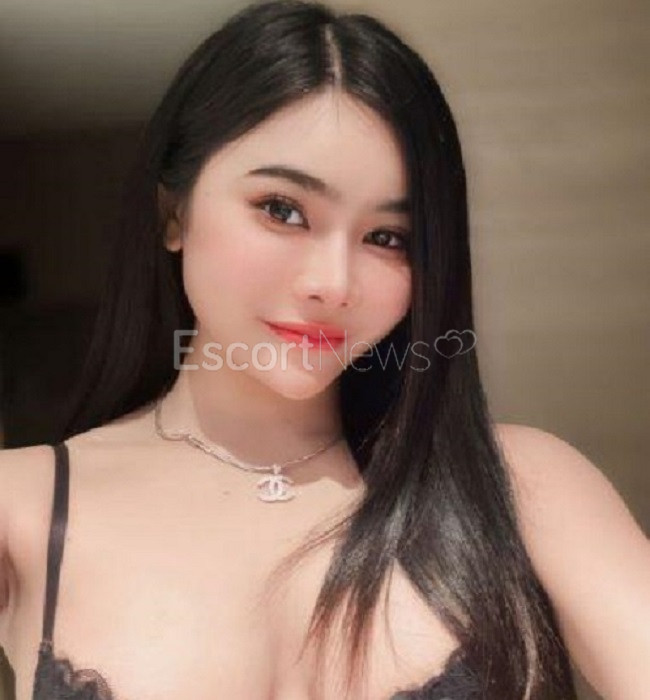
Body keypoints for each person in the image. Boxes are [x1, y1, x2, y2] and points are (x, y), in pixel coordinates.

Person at [0, 1, 648, 698]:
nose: (333, 285)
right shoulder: (23, 505)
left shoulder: (521, 488)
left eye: (387, 238)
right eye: (283, 210)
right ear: (173, 213)